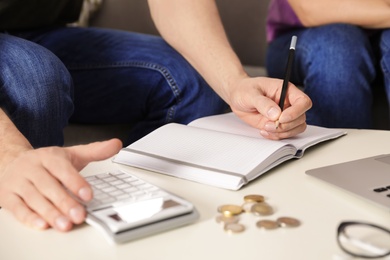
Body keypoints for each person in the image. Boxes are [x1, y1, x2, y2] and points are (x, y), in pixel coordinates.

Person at [0, 0, 312, 232]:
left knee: (190, 82)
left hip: (39, 31)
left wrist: (234, 83)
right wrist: (9, 154)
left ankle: (136, 218)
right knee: (36, 83)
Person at [266, 0, 390, 129]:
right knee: (338, 47)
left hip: (381, 33)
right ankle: (338, 147)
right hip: (301, 36)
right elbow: (312, 10)